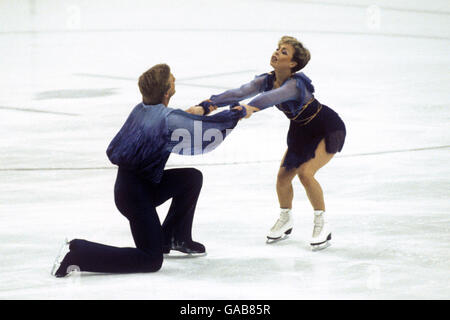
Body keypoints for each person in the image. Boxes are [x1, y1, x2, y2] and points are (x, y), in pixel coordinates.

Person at [51, 63, 251, 277]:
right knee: (150, 259)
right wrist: (235, 115)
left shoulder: (142, 109)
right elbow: (204, 130)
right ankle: (78, 253)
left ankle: (174, 237)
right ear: (167, 91)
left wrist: (201, 109)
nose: (175, 79)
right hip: (135, 197)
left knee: (191, 178)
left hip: (141, 185)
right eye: (172, 79)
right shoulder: (167, 119)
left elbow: (175, 120)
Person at [199, 36, 346, 250]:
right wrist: (209, 104)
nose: (276, 53)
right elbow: (240, 92)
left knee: (306, 174)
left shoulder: (295, 85)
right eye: (277, 49)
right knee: (283, 178)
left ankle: (322, 223)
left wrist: (250, 108)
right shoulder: (267, 79)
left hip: (327, 128)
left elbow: (272, 98)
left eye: (283, 52)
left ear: (293, 63)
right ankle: (286, 218)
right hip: (301, 130)